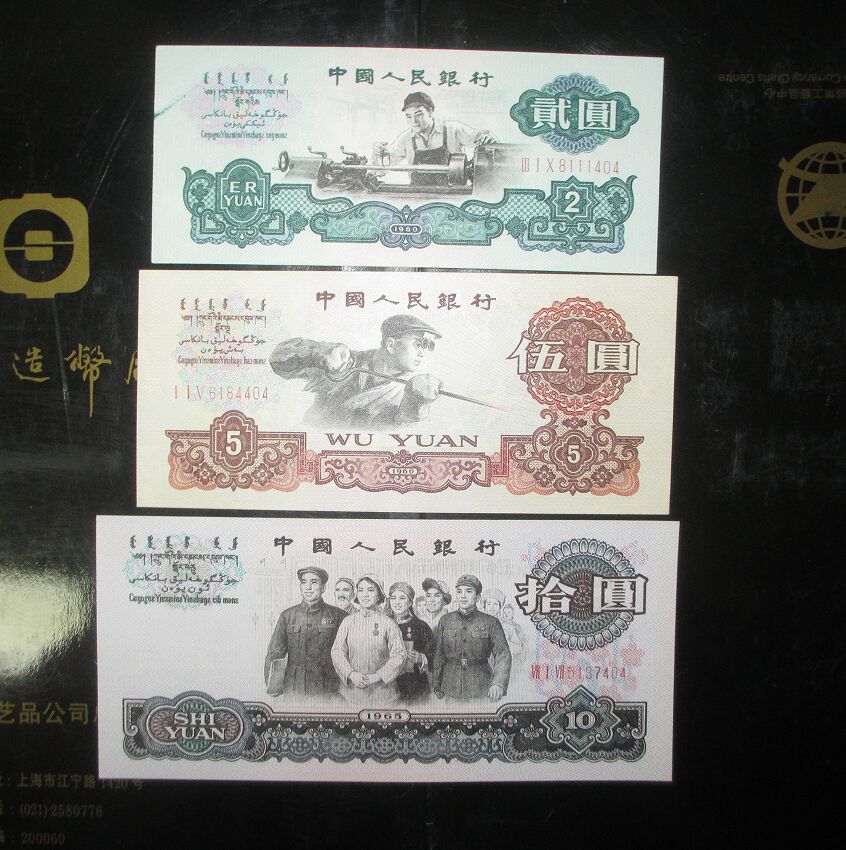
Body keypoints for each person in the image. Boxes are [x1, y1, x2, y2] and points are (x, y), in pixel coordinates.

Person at [270, 314, 442, 429]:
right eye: (419, 344)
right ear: (391, 345)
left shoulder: (413, 392)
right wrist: (315, 351)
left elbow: (401, 429)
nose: (423, 352)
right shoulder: (342, 361)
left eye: (428, 346)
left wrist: (418, 402)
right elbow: (277, 361)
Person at [373, 92, 497, 186]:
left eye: (418, 115)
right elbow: (383, 167)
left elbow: (483, 138)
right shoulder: (405, 139)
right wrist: (379, 153)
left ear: (430, 112)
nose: (413, 121)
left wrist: (487, 139)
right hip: (417, 194)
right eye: (408, 117)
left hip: (453, 195)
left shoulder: (452, 129)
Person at [264, 567, 347, 698]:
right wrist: (273, 689)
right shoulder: (287, 616)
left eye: (314, 582)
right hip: (293, 689)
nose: (308, 587)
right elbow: (274, 654)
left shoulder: (339, 616)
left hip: (329, 689)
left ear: (323, 587)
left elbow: (349, 655)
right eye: (304, 582)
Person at [432, 574, 511, 702]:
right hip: (450, 686)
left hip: (481, 685)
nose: (463, 596)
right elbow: (439, 655)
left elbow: (503, 654)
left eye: (468, 591)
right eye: (459, 591)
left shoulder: (491, 622)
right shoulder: (445, 620)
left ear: (478, 597)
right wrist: (437, 683)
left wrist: (498, 684)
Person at [331, 574, 406, 705]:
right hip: (351, 694)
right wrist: (351, 674)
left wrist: (377, 677)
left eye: (370, 590)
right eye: (361, 590)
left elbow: (399, 656)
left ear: (379, 595)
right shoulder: (348, 622)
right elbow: (337, 651)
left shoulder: (389, 623)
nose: (365, 595)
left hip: (383, 695)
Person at [386, 581, 433, 703]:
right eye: (393, 598)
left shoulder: (421, 626)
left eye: (402, 598)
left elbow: (434, 655)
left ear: (410, 602)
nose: (397, 602)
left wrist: (421, 658)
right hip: (387, 685)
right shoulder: (382, 624)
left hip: (415, 685)